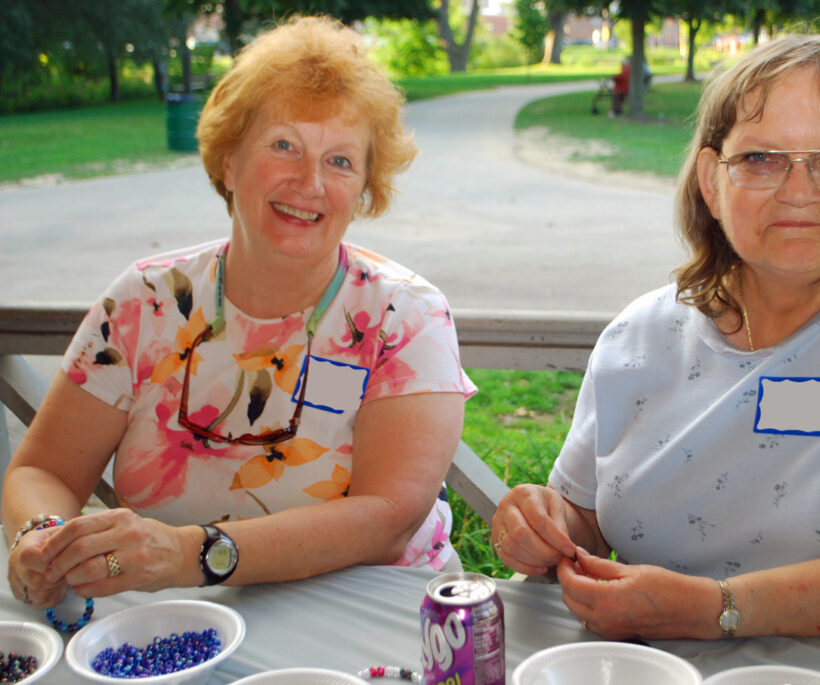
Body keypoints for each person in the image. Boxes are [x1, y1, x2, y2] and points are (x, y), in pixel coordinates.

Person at [491, 34, 820, 641]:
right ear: (710, 182)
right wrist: (540, 519)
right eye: (761, 159)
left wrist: (714, 608)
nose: (800, 191)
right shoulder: (637, 336)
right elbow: (583, 516)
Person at [5, 16, 476, 621]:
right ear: (229, 161)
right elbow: (44, 468)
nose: (310, 183)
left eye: (339, 161)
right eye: (284, 146)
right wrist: (41, 538)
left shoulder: (403, 315)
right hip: (173, 617)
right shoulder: (147, 300)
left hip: (365, 616)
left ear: (363, 187)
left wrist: (188, 554)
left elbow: (387, 518)